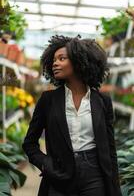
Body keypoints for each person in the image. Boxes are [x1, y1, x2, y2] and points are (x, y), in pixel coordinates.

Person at [22, 35, 122, 196]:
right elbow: (29, 143)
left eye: (62, 58)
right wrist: (47, 164)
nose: (55, 63)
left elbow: (110, 148)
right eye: (54, 59)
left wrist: (115, 188)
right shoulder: (48, 100)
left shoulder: (102, 101)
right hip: (59, 173)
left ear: (79, 61)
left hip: (94, 174)